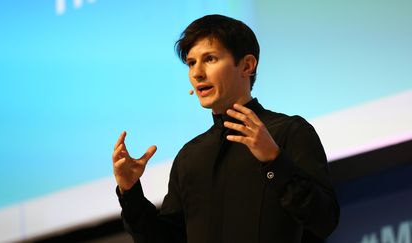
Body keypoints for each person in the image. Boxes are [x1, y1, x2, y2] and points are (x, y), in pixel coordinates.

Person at [112, 14, 339, 243]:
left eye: (209, 59)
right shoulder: (189, 157)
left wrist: (274, 160)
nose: (197, 73)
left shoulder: (289, 133)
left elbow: (324, 220)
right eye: (191, 63)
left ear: (247, 65)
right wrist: (130, 192)